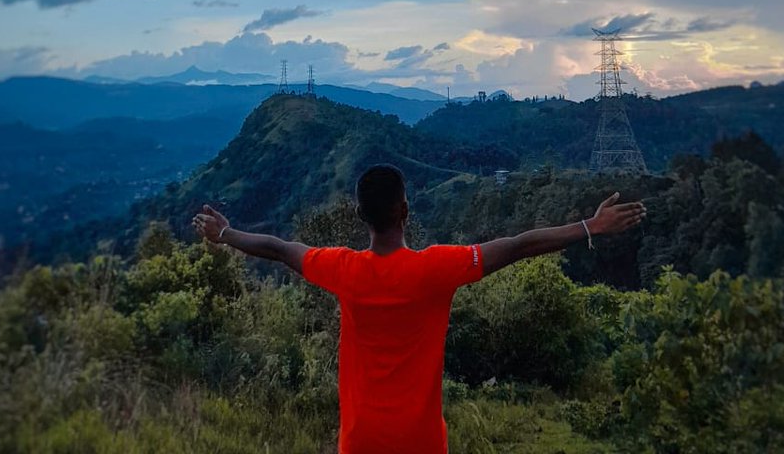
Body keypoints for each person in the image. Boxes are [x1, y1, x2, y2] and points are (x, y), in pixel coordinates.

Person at [192, 164, 646, 454]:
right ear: (406, 209)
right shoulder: (436, 269)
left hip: (360, 441)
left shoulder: (342, 269)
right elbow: (520, 245)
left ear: (359, 216)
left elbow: (278, 248)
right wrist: (591, 226)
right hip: (422, 443)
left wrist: (227, 234)